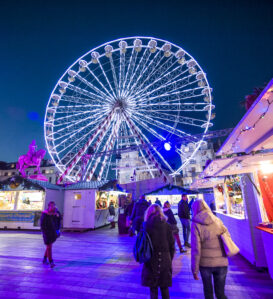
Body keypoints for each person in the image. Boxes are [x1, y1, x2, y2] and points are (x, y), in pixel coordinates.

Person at [191, 199, 229, 299]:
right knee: (221, 294)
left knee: (208, 294)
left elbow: (196, 248)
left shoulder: (195, 223)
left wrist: (194, 270)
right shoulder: (217, 220)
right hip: (221, 261)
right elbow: (227, 237)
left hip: (205, 264)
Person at [141, 204, 175, 299]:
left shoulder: (146, 225)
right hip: (165, 259)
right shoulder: (167, 226)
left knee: (153, 289)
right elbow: (172, 245)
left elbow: (142, 245)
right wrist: (169, 258)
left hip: (151, 260)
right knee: (164, 288)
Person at [40, 201, 61, 268]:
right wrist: (45, 232)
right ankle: (51, 261)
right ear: (48, 206)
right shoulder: (45, 214)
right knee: (49, 246)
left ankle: (44, 259)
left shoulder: (56, 213)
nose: (52, 207)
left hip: (53, 232)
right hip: (46, 232)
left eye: (53, 205)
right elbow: (42, 224)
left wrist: (58, 216)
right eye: (51, 206)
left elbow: (59, 220)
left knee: (49, 246)